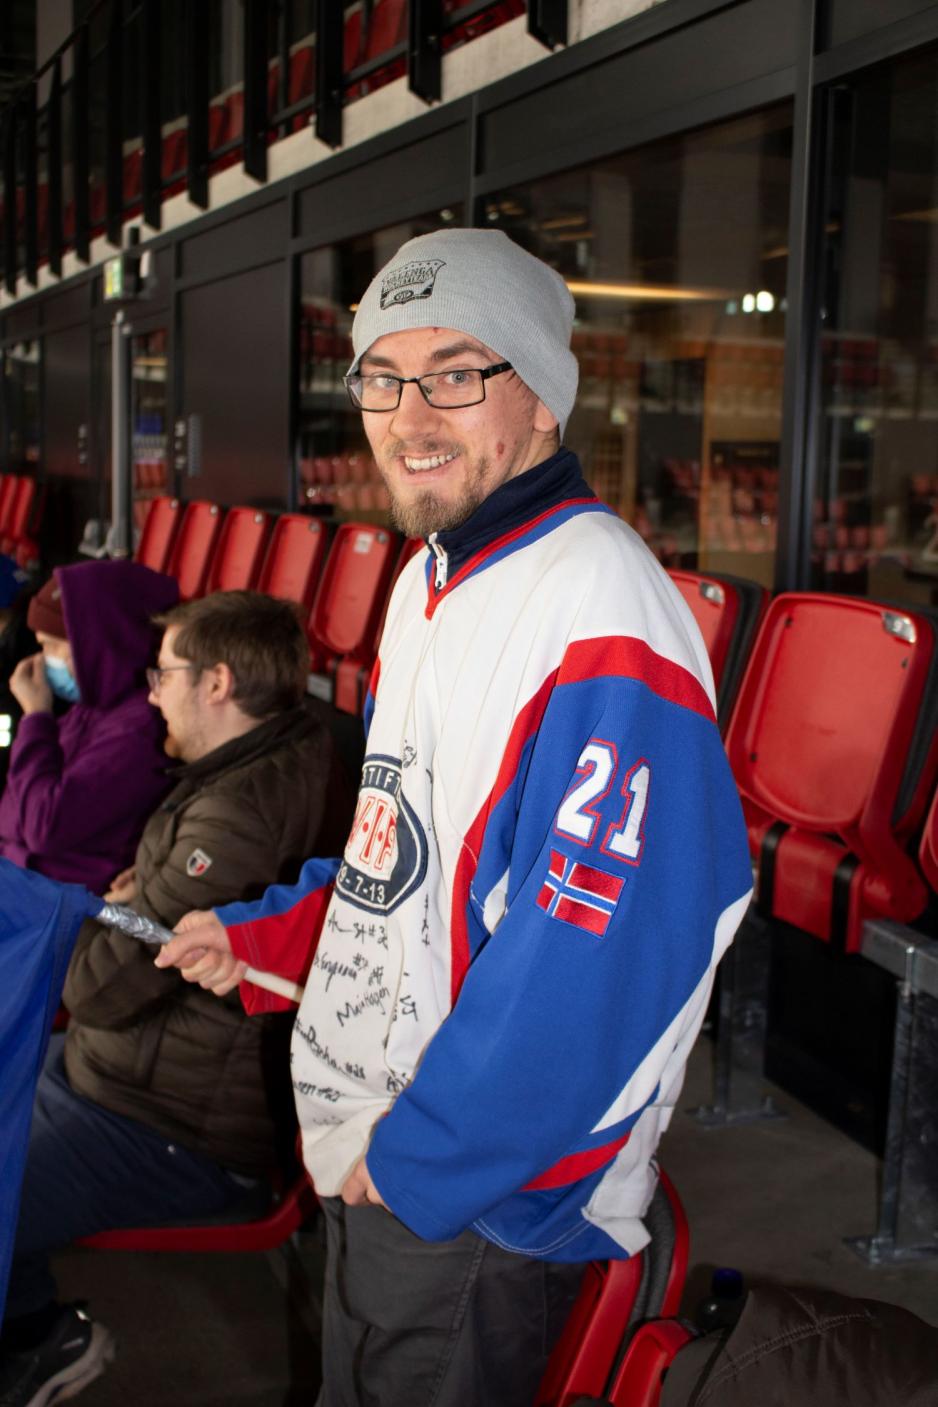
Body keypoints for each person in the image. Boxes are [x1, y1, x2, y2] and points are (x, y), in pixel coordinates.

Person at [158, 229, 754, 1406]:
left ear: (540, 398)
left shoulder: (599, 612)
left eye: (456, 372)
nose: (408, 415)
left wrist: (424, 1162)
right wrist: (266, 937)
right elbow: (410, 856)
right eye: (382, 377)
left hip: (479, 1198)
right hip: (387, 1141)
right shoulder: (431, 575)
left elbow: (603, 953)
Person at [0, 591, 355, 1407]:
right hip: (129, 1079)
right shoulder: (263, 756)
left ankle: (39, 1339)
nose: (150, 690)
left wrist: (125, 902)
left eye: (162, 674)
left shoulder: (235, 813)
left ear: (218, 682)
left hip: (174, 1129)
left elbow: (95, 990)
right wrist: (130, 898)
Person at [0, 560, 179, 891]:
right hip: (25, 882)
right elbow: (10, 811)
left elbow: (44, 827)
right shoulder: (94, 705)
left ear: (98, 643)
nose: (43, 660)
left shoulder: (140, 727)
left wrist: (36, 716)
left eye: (53, 646)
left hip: (62, 902)